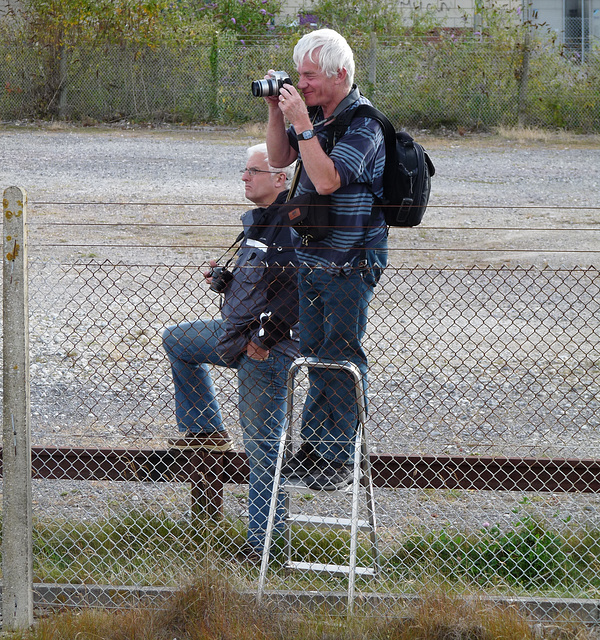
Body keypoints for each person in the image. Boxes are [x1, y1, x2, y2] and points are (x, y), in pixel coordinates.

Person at [264, 28, 388, 491]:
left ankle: (340, 456)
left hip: (352, 260)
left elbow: (328, 178)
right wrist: (278, 112)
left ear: (340, 75)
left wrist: (303, 122)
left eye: (310, 75)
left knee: (343, 355)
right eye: (299, 74)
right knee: (315, 356)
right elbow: (279, 159)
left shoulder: (365, 124)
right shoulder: (313, 115)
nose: (303, 83)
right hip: (313, 257)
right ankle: (315, 451)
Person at [162, 143, 299, 561]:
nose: (244, 177)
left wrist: (264, 338)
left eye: (253, 171)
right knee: (177, 340)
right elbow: (261, 286)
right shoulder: (259, 223)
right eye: (244, 170)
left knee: (263, 450)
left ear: (280, 179)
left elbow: (298, 293)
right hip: (236, 337)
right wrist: (226, 282)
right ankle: (206, 430)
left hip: (268, 351)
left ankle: (265, 549)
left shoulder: (293, 227)